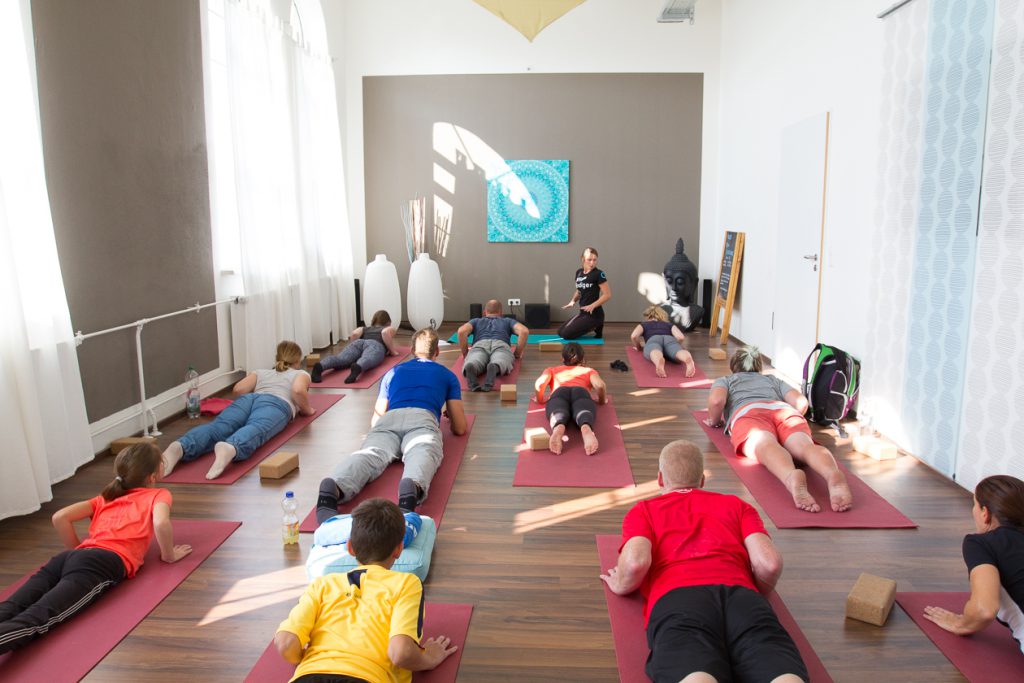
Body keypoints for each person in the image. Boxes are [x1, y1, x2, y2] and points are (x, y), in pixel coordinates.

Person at [600, 440, 808, 683]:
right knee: (780, 672)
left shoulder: (644, 510)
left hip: (679, 600)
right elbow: (769, 564)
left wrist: (621, 584)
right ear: (701, 481)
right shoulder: (737, 505)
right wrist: (752, 593)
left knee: (695, 674)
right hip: (741, 598)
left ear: (660, 479)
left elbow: (635, 563)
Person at [0, 443, 192, 654]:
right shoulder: (158, 494)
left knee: (10, 607)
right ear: (153, 477)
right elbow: (161, 523)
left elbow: (60, 517)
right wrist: (169, 556)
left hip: (70, 557)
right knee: (39, 618)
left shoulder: (106, 497)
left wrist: (79, 551)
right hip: (103, 563)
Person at [275, 498, 457, 683]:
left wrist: (311, 660)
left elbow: (286, 644)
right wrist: (430, 658)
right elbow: (401, 653)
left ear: (350, 548)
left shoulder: (322, 584)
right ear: (399, 549)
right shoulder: (406, 584)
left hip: (308, 677)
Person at [316, 328, 467, 524]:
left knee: (370, 454)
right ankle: (410, 487)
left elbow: (375, 420)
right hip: (422, 418)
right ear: (437, 352)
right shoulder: (447, 375)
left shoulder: (393, 372)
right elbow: (460, 428)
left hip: (389, 419)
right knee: (423, 451)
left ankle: (335, 486)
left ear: (412, 350)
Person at [705, 346, 852, 513]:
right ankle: (832, 473)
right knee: (805, 447)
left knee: (767, 445)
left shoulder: (726, 380)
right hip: (784, 411)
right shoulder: (772, 379)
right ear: (758, 367)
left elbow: (717, 401)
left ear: (733, 367)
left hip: (749, 413)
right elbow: (801, 403)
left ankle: (790, 476)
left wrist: (714, 421)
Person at [163, 340, 315, 480]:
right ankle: (231, 447)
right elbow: (298, 391)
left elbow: (238, 390)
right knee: (256, 428)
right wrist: (307, 410)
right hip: (276, 404)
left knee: (218, 426)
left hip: (249, 399)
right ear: (297, 361)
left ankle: (181, 446)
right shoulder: (300, 373)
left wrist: (253, 403)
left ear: (277, 358)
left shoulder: (261, 372)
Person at [923, 475, 1024, 652]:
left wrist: (961, 624)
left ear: (985, 513)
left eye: (974, 504)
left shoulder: (981, 543)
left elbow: (984, 609)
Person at [534, 342, 608, 455]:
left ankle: (558, 429)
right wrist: (602, 400)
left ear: (562, 358)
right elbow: (600, 385)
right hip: (581, 392)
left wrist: (540, 399)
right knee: (583, 412)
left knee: (559, 412)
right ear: (582, 358)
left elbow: (540, 384)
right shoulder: (589, 371)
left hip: (559, 393)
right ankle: (586, 428)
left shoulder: (552, 370)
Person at [457, 299, 529, 392]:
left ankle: (472, 366)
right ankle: (495, 366)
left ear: (485, 312)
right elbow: (524, 331)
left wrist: (465, 353)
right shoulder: (507, 321)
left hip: (480, 344)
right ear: (501, 312)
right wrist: (517, 354)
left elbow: (461, 331)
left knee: (475, 359)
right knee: (502, 359)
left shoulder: (476, 321)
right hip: (501, 345)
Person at [312, 310, 400, 384]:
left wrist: (353, 350)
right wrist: (393, 351)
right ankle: (358, 367)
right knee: (369, 358)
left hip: (359, 342)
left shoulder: (365, 328)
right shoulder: (389, 328)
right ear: (388, 322)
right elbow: (385, 333)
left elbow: (354, 334)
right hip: (375, 344)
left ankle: (320, 366)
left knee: (342, 358)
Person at [558, 247, 611, 340]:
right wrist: (572, 301)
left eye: (594, 260)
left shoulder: (599, 274)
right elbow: (579, 290)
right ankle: (589, 326)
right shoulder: (579, 273)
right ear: (583, 259)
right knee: (560, 332)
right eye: (589, 260)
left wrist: (592, 305)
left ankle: (596, 324)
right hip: (583, 313)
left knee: (566, 335)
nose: (592, 263)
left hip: (594, 314)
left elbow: (607, 294)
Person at [630, 305, 696, 378]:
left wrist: (639, 347)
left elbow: (634, 336)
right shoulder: (668, 324)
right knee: (677, 351)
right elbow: (681, 337)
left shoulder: (644, 324)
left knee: (653, 350)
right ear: (662, 315)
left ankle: (659, 361)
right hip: (669, 339)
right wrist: (675, 345)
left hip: (653, 339)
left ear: (647, 316)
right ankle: (688, 359)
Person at [661, 237, 703, 331]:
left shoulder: (696, 312)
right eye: (669, 282)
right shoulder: (661, 310)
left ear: (694, 284)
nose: (674, 287)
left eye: (680, 282)